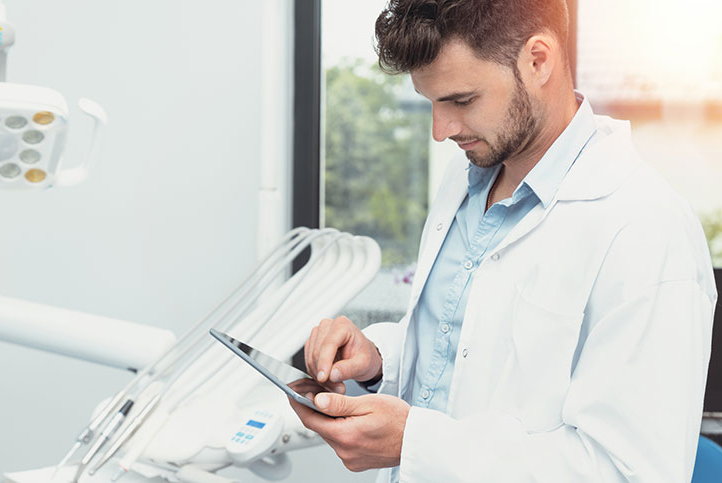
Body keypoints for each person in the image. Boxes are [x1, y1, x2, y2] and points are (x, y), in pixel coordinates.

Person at [288, 1, 718, 481]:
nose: (440, 130)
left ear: (538, 60)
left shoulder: (647, 230)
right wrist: (376, 361)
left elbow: (629, 471)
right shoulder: (465, 177)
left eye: (461, 100)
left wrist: (417, 443)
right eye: (431, 102)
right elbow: (458, 352)